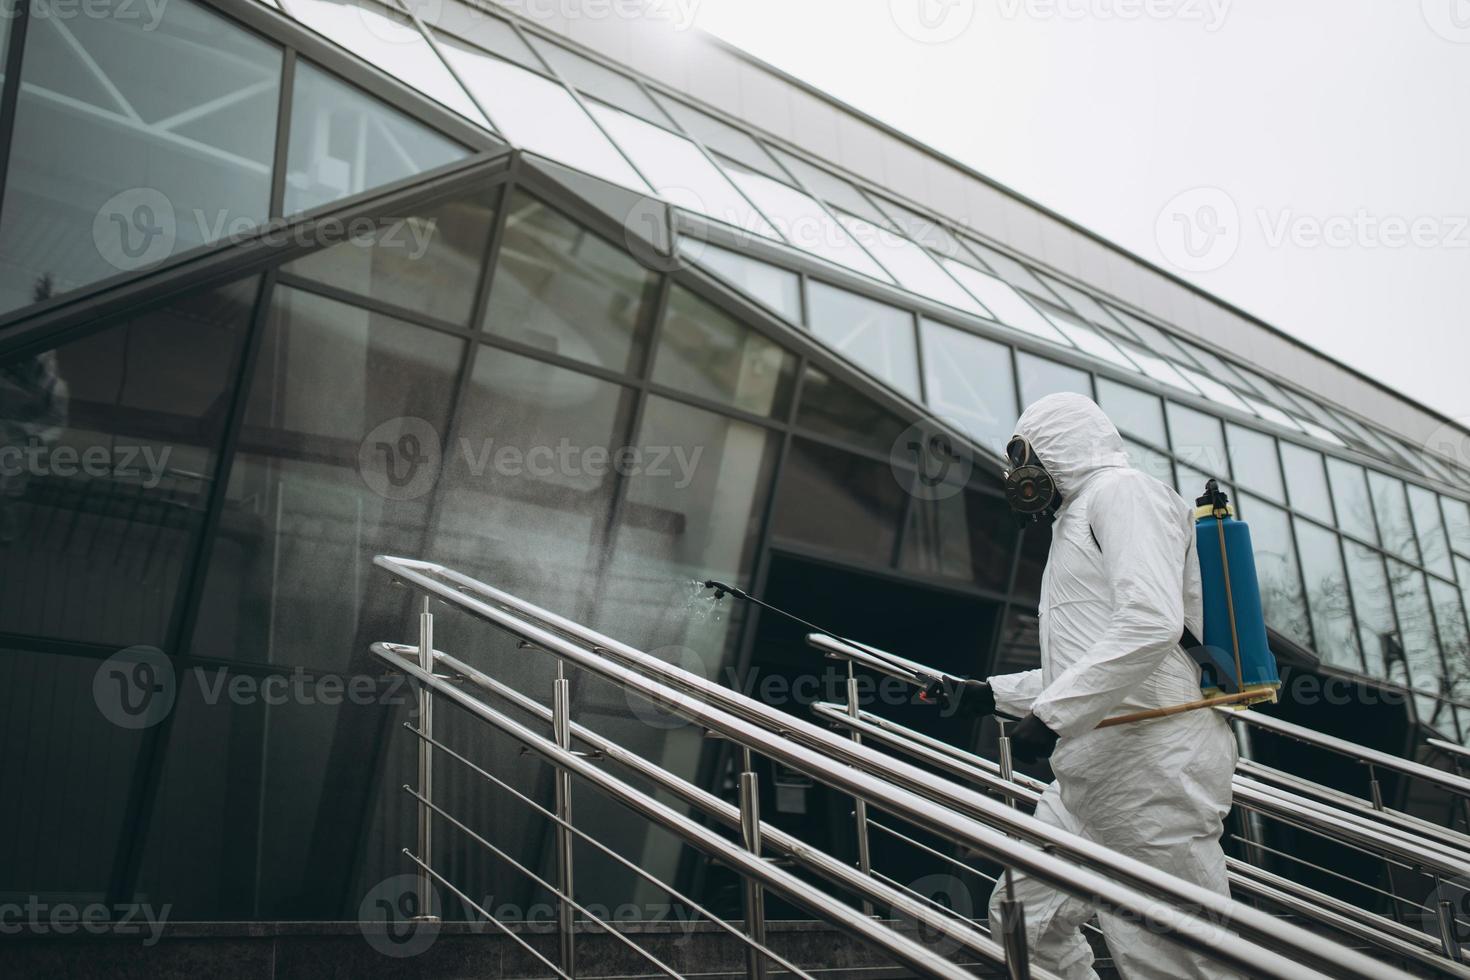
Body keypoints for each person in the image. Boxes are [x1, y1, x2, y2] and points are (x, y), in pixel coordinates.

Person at [938, 392, 1238, 979]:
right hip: (1088, 778)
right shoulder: (1074, 520)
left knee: (1171, 955)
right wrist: (990, 694)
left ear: (1056, 446)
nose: (1016, 473)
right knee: (1022, 920)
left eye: (1022, 455)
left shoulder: (1123, 494)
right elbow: (1082, 664)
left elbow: (1151, 623)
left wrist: (1053, 715)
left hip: (1153, 768)